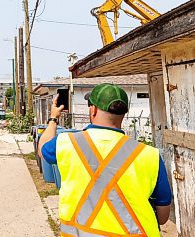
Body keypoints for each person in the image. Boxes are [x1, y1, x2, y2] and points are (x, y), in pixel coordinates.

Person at [37, 83, 171, 237]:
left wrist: (53, 118)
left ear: (93, 110)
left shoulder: (67, 142)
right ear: (123, 114)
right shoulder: (149, 154)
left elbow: (42, 149)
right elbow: (163, 216)